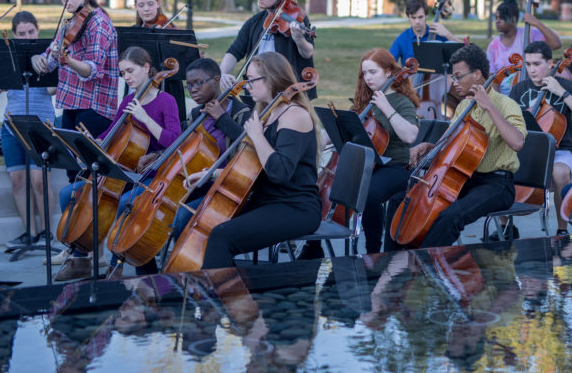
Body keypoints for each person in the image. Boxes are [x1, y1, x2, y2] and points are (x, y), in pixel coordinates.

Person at [55, 46, 182, 281]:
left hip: (152, 173)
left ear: (146, 68)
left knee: (125, 203)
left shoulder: (166, 101)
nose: (127, 78)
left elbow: (175, 141)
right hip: (124, 172)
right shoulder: (127, 102)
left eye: (131, 71)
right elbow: (111, 133)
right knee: (68, 194)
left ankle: (117, 266)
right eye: (123, 74)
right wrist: (92, 142)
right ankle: (81, 257)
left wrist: (144, 118)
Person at [391, 43, 526, 250]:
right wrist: (429, 147)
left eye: (458, 76)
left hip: (497, 184)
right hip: (465, 179)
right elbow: (451, 143)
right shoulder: (464, 105)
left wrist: (489, 107)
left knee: (451, 216)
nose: (454, 82)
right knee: (401, 200)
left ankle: (427, 266)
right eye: (453, 77)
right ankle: (389, 264)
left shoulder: (506, 105)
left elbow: (517, 142)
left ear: (478, 74)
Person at [195, 52, 321, 269]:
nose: (247, 86)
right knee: (204, 223)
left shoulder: (294, 115)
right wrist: (213, 173)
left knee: (222, 236)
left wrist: (257, 136)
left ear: (271, 79)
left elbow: (279, 172)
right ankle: (225, 292)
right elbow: (255, 166)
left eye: (251, 80)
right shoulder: (268, 112)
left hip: (295, 207)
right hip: (267, 199)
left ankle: (219, 297)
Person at [509, 40, 572, 235]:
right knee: (499, 169)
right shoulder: (519, 89)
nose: (532, 70)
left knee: (560, 173)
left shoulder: (567, 86)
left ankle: (562, 230)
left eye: (537, 64)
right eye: (528, 64)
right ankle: (506, 227)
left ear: (549, 63)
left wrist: (562, 93)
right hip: (525, 151)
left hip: (560, 151)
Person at [167, 58, 251, 243]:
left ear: (216, 80)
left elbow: (248, 145)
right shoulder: (197, 114)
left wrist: (221, 118)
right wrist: (157, 155)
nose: (193, 89)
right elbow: (181, 145)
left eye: (198, 83)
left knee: (183, 216)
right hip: (198, 182)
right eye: (189, 86)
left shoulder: (240, 113)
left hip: (225, 186)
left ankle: (185, 265)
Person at [31, 0, 119, 141]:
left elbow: (93, 71)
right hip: (71, 103)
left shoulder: (99, 23)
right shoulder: (71, 22)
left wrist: (68, 61)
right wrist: (38, 58)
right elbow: (50, 59)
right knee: (72, 167)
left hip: (94, 108)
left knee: (85, 166)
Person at [351, 49, 420, 253]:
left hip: (397, 166)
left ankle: (373, 249)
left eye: (373, 72)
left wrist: (387, 108)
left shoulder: (401, 101)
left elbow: (410, 136)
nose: (368, 78)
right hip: (372, 164)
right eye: (365, 73)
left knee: (369, 194)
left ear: (389, 72)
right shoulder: (367, 99)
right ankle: (314, 244)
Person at [1, 11, 59, 251]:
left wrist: (43, 63)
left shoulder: (48, 56)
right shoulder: (8, 57)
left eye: (31, 32)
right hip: (11, 124)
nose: (27, 37)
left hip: (41, 125)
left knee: (38, 181)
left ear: (38, 30)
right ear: (14, 35)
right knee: (17, 181)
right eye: (22, 33)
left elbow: (52, 91)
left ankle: (47, 233)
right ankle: (30, 234)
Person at [219, 0, 315, 97]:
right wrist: (223, 73)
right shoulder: (254, 22)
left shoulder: (297, 17)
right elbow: (234, 52)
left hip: (286, 90)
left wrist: (299, 38)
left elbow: (307, 53)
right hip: (256, 90)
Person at [389, 0, 458, 119]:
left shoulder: (438, 34)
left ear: (426, 16)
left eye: (420, 17)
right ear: (409, 17)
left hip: (437, 93)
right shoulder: (402, 39)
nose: (417, 22)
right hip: (410, 90)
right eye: (413, 18)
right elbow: (388, 64)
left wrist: (447, 34)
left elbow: (467, 52)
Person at [486, 0, 561, 76]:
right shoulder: (493, 46)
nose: (497, 21)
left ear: (514, 19)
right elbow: (491, 75)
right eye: (496, 17)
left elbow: (556, 44)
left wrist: (536, 23)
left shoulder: (529, 34)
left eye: (502, 18)